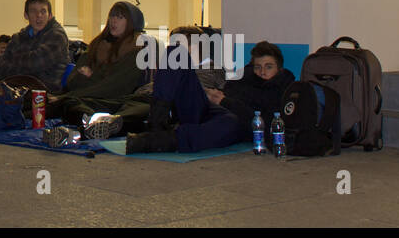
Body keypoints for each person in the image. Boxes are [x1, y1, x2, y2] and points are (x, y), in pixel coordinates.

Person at [125, 40, 295, 154]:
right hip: (208, 108)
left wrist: (226, 101)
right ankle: (156, 124)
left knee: (229, 123)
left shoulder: (283, 88)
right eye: (258, 67)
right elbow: (228, 88)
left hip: (233, 121)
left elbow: (261, 121)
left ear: (278, 68)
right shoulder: (245, 77)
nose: (262, 72)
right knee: (175, 52)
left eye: (268, 67)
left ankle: (157, 141)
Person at [45, 1, 153, 137]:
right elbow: (73, 81)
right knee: (38, 101)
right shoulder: (99, 45)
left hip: (112, 100)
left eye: (120, 17)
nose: (114, 21)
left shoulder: (136, 51)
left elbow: (114, 87)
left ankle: (92, 128)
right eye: (112, 16)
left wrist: (67, 95)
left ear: (131, 22)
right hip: (87, 96)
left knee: (68, 104)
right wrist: (83, 80)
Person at [0, 0, 70, 91]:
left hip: (46, 93)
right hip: (15, 90)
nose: (39, 16)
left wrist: (13, 60)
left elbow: (36, 63)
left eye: (43, 11)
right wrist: (27, 64)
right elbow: (0, 69)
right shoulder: (18, 37)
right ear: (26, 15)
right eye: (33, 11)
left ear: (50, 15)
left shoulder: (57, 36)